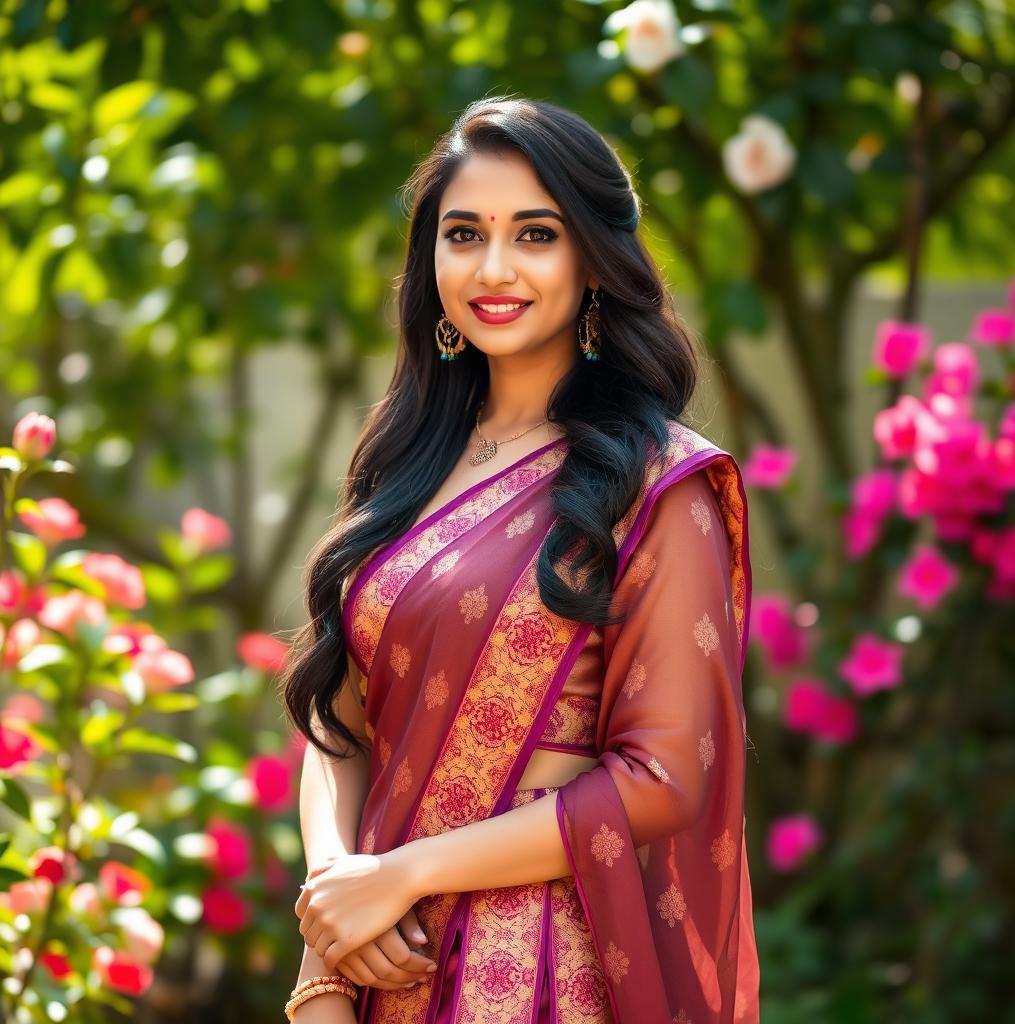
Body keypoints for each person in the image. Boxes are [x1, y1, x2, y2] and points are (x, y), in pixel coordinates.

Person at [281, 93, 760, 1024]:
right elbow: (340, 715)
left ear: (594, 260)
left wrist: (401, 874)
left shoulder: (658, 483)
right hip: (376, 963)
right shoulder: (410, 463)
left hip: (543, 968)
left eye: (535, 235)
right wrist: (335, 898)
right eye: (464, 234)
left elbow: (664, 779)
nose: (493, 267)